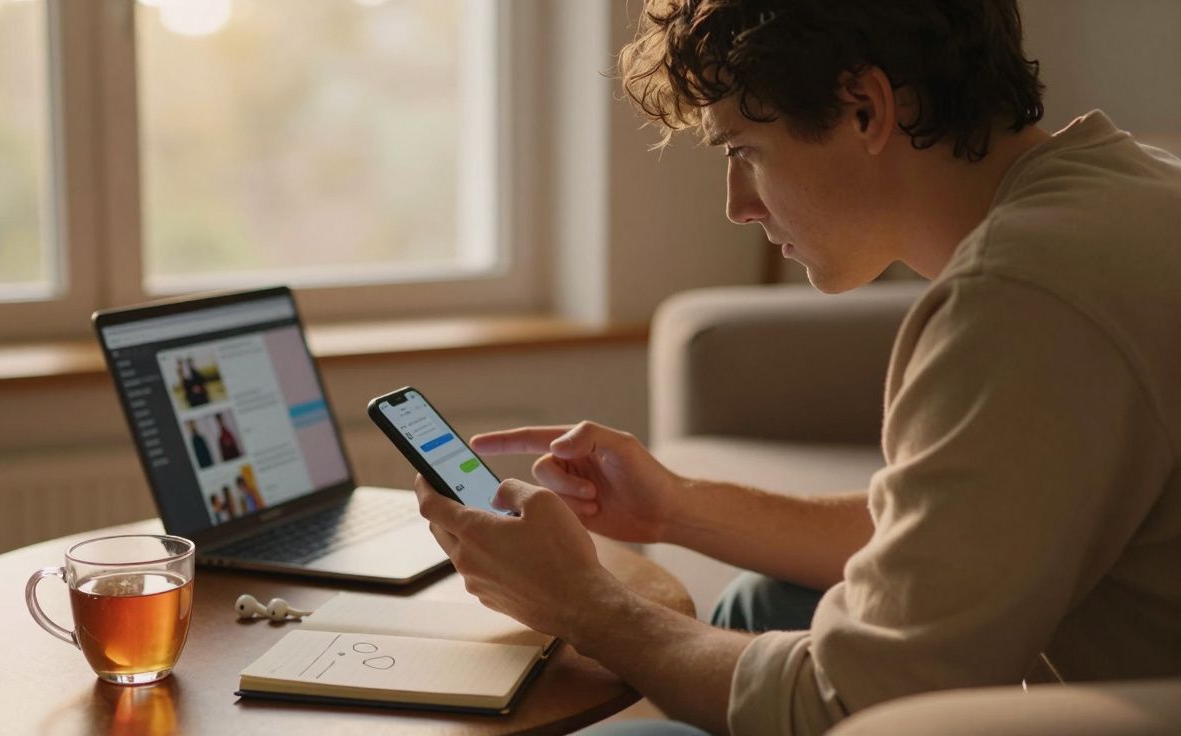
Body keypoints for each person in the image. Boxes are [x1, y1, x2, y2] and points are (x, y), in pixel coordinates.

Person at [412, 1, 1181, 734]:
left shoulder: (1021, 298)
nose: (737, 204)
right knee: (760, 603)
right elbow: (960, 529)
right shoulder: (1129, 186)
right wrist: (673, 507)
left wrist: (583, 606)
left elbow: (846, 711)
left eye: (745, 151)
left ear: (866, 109)